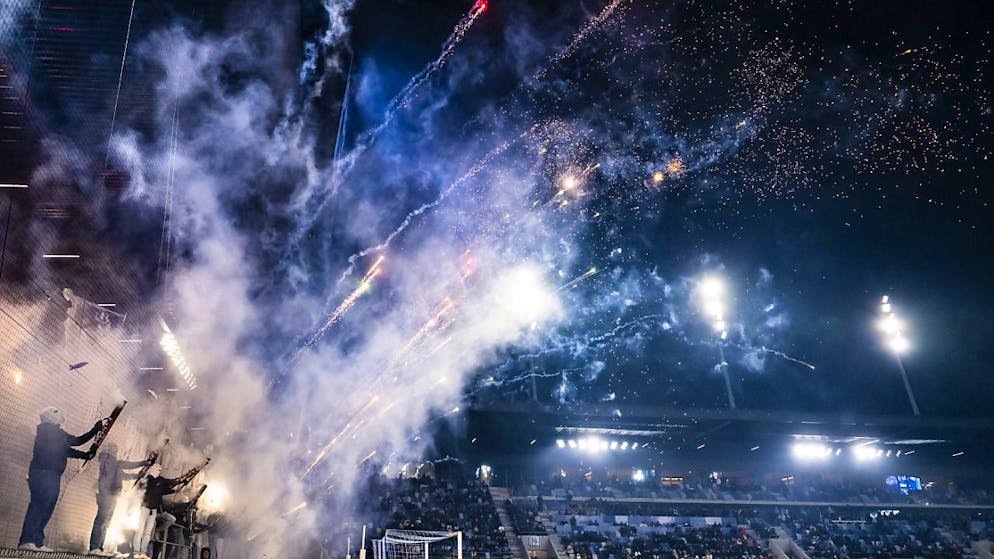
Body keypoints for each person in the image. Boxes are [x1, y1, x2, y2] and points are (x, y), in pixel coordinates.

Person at [18, 407, 105, 551]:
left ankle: (36, 541)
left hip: (48, 474)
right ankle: (27, 540)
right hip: (45, 474)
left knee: (45, 507)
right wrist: (96, 429)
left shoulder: (49, 434)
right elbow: (77, 441)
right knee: (39, 506)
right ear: (52, 418)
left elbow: (64, 450)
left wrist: (85, 455)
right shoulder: (51, 432)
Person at [88, 442, 146, 555]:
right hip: (106, 495)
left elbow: (123, 475)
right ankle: (94, 547)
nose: (116, 451)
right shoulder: (110, 461)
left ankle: (99, 547)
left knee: (105, 522)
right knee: (101, 521)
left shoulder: (113, 465)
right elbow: (127, 465)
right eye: (114, 449)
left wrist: (138, 475)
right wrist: (144, 463)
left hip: (111, 496)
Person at [133, 464, 182, 559]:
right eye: (158, 469)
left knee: (147, 532)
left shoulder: (159, 481)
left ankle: (143, 552)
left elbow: (166, 486)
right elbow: (155, 489)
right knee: (140, 531)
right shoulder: (147, 479)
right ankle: (136, 552)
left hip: (153, 510)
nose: (159, 471)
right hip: (145, 508)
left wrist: (178, 482)